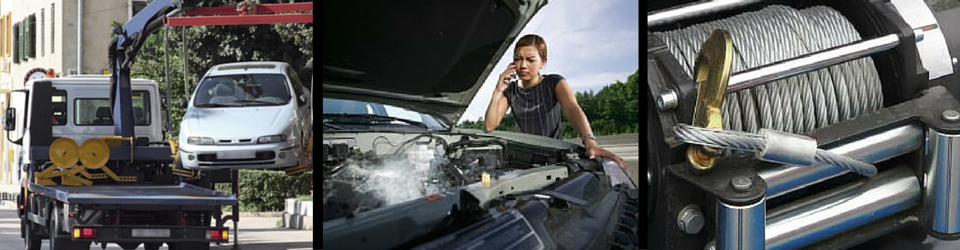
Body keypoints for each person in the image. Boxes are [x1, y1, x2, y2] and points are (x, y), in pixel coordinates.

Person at [484, 34, 627, 170]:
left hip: (552, 159)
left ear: (543, 62)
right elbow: (490, 125)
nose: (523, 65)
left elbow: (572, 109)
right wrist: (497, 90)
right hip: (520, 160)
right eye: (518, 59)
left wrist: (590, 142)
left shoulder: (554, 82)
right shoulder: (510, 90)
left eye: (531, 60)